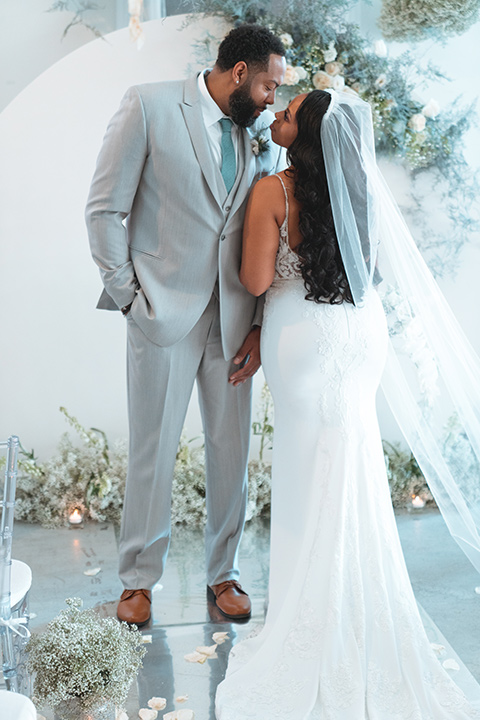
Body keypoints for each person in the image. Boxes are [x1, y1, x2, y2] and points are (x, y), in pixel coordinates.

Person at [215, 89, 480, 718]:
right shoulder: (361, 187)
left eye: (286, 115)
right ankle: (356, 609)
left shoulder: (273, 192)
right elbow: (371, 272)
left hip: (304, 343)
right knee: (352, 468)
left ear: (303, 138)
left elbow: (255, 281)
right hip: (360, 337)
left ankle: (311, 617)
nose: (275, 118)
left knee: (309, 477)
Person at [85, 24, 286, 627]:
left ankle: (223, 574)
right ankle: (138, 580)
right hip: (160, 313)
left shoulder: (261, 139)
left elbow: (266, 234)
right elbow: (104, 209)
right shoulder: (148, 105)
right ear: (241, 72)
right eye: (271, 85)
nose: (274, 99)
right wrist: (128, 297)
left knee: (232, 452)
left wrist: (258, 326)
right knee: (153, 449)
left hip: (234, 321)